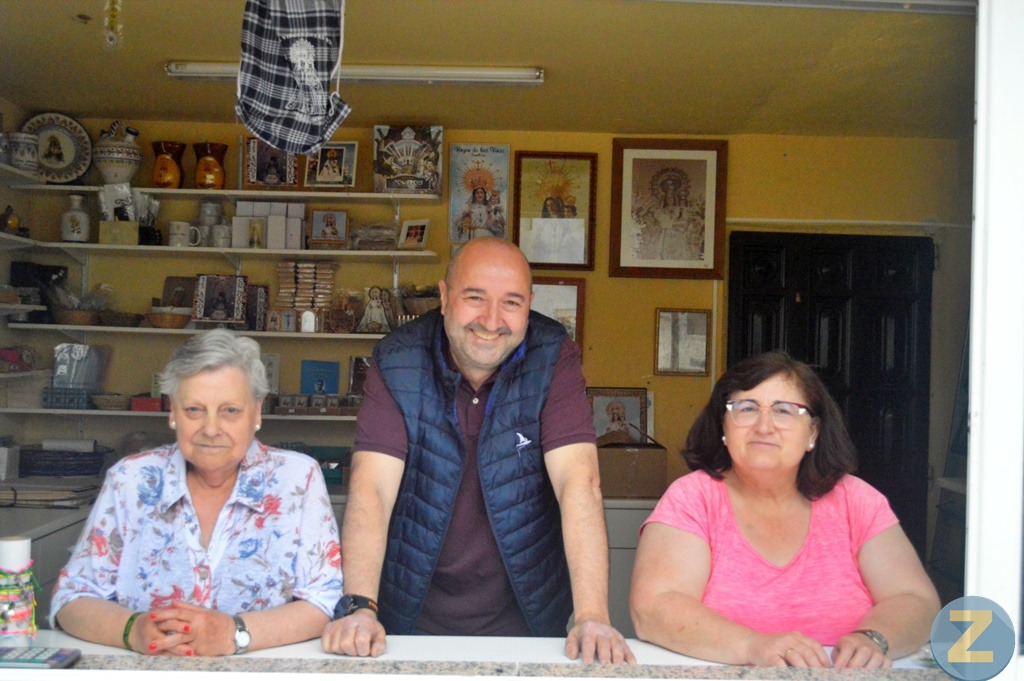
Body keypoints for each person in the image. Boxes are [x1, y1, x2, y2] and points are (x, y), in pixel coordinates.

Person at [321, 237, 633, 664]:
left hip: (529, 623)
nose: (491, 320)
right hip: (405, 622)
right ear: (445, 296)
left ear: (530, 305)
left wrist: (592, 616)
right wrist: (360, 608)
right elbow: (372, 488)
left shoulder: (553, 356)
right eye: (475, 297)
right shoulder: (397, 359)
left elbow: (578, 482)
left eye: (511, 302)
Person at [629, 351, 939, 669]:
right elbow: (653, 607)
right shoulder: (692, 498)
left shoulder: (856, 500)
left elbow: (917, 600)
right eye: (746, 408)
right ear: (724, 425)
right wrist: (752, 645)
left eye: (784, 411)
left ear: (813, 432)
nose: (764, 427)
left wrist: (873, 639)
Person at [50, 329, 343, 656]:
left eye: (230, 410)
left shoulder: (297, 479)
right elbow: (71, 598)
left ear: (257, 412)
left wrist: (234, 634)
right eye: (194, 409)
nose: (211, 429)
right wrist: (132, 630)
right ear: (173, 411)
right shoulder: (130, 479)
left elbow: (325, 599)